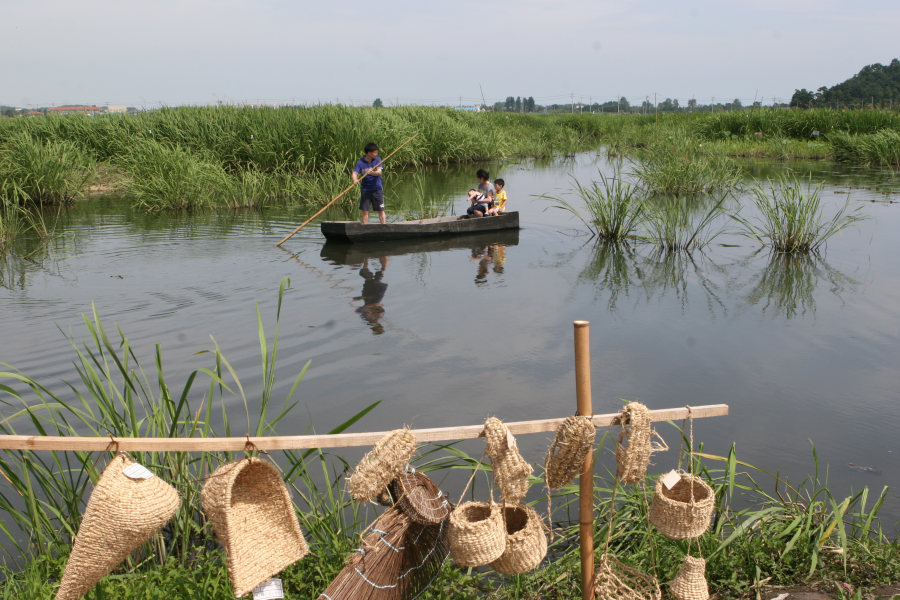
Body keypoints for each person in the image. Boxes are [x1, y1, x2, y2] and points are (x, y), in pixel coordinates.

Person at [352, 142, 385, 224]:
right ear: (369, 153)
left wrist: (371, 173)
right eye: (375, 152)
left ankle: (384, 227)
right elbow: (354, 173)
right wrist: (355, 180)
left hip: (377, 189)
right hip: (366, 190)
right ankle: (364, 227)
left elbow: (378, 172)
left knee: (381, 210)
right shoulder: (360, 163)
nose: (376, 154)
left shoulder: (378, 160)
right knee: (365, 211)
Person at [354, 256, 388, 335]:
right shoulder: (379, 316)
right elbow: (381, 308)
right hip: (375, 297)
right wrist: (376, 308)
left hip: (368, 296)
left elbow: (358, 310)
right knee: (377, 278)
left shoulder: (366, 317)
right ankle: (383, 259)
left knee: (367, 276)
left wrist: (367, 309)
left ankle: (366, 257)